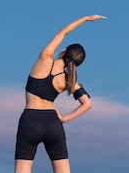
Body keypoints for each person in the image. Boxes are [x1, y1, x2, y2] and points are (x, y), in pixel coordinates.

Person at [14, 14, 106, 173]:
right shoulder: (69, 80)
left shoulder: (45, 58)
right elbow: (87, 103)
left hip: (30, 121)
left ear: (64, 51)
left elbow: (62, 32)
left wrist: (85, 19)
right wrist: (64, 118)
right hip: (52, 123)